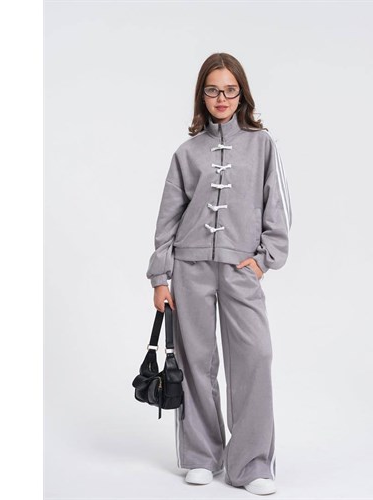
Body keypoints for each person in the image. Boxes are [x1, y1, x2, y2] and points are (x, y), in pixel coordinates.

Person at [146, 52, 292, 496]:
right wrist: (160, 277)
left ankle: (251, 464)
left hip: (240, 267)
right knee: (196, 362)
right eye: (213, 90)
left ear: (242, 93)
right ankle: (201, 456)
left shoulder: (263, 145)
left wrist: (265, 258)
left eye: (230, 90)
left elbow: (278, 206)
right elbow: (167, 218)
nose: (222, 98)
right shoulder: (186, 153)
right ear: (202, 95)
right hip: (188, 268)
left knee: (255, 358)